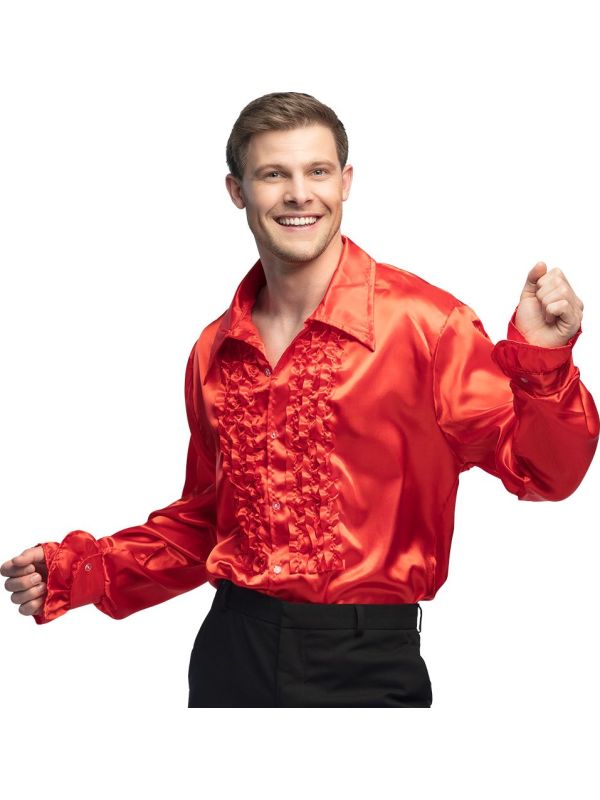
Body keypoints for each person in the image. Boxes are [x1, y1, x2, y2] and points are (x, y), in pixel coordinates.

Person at [2, 91, 598, 708]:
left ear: (345, 182)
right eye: (273, 174)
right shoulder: (215, 350)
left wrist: (545, 366)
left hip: (367, 662)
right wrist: (85, 570)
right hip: (232, 651)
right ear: (237, 191)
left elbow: (545, 474)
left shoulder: (428, 326)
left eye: (316, 171)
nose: (298, 194)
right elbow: (208, 520)